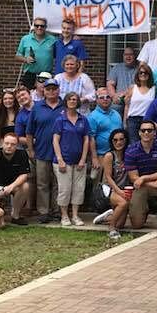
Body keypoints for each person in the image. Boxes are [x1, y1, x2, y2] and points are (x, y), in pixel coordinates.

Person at [125, 119, 157, 234]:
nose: (146, 133)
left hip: (154, 183)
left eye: (149, 130)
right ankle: (143, 210)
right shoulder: (131, 150)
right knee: (137, 225)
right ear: (139, 133)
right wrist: (150, 182)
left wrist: (144, 178)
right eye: (143, 130)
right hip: (140, 186)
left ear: (154, 133)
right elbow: (133, 178)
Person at [25, 78, 62, 223]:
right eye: (48, 89)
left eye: (54, 89)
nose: (51, 91)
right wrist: (31, 150)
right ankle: (43, 212)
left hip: (61, 154)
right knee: (42, 184)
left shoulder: (65, 106)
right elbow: (29, 132)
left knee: (58, 184)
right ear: (44, 91)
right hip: (41, 151)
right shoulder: (37, 107)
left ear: (58, 90)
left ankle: (57, 210)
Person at [52, 91, 90, 227]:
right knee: (65, 189)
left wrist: (83, 158)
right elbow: (55, 140)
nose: (73, 101)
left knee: (79, 189)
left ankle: (75, 215)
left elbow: (86, 140)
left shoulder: (83, 119)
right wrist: (60, 159)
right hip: (63, 161)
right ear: (66, 102)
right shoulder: (60, 120)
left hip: (79, 161)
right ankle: (64, 215)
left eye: (75, 99)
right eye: (70, 99)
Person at [0, 132, 32, 225]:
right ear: (2, 143)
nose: (9, 146)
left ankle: (15, 216)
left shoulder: (22, 154)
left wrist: (11, 187)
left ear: (17, 145)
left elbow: (24, 175)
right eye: (7, 143)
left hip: (13, 185)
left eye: (13, 144)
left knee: (25, 186)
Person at [100, 128, 131, 240]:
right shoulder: (109, 156)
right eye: (115, 140)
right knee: (123, 203)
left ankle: (108, 217)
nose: (118, 142)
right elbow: (108, 177)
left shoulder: (129, 154)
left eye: (121, 139)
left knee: (121, 224)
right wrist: (118, 191)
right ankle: (111, 228)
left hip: (123, 187)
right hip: (109, 188)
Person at [15, 17, 57, 88]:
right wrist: (26, 59)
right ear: (33, 26)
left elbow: (58, 54)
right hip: (30, 74)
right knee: (28, 97)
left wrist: (74, 37)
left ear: (46, 27)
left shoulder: (53, 39)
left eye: (42, 26)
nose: (39, 28)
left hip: (46, 75)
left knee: (45, 96)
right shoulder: (25, 39)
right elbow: (17, 56)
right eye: (37, 25)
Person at [88, 88, 123, 171]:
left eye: (107, 97)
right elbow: (91, 138)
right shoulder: (92, 116)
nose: (105, 99)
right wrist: (94, 158)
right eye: (101, 97)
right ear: (96, 100)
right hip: (101, 155)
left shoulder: (116, 114)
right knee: (101, 182)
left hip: (117, 154)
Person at [123, 64, 156, 143]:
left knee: (147, 143)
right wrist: (125, 121)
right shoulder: (132, 88)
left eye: (145, 73)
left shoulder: (154, 88)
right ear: (137, 75)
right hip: (133, 120)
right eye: (140, 73)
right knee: (134, 143)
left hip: (147, 119)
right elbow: (127, 105)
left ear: (149, 75)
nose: (143, 74)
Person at [107, 46, 138, 114]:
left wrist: (125, 94)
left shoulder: (139, 69)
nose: (128, 57)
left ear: (135, 56)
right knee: (114, 108)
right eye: (126, 55)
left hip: (134, 99)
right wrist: (114, 96)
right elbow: (110, 84)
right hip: (119, 100)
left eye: (130, 54)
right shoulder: (117, 68)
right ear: (123, 56)